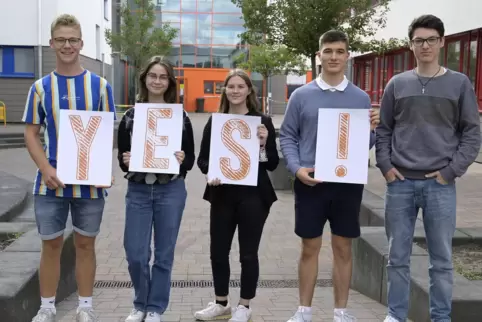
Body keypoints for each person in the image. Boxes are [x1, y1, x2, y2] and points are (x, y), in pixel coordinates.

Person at [376, 15, 481, 322]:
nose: (425, 46)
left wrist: (451, 172)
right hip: (400, 184)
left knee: (442, 260)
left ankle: (441, 318)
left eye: (431, 39)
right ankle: (395, 315)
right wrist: (385, 166)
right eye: (419, 40)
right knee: (397, 257)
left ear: (442, 42)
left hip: (440, 185)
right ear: (411, 45)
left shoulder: (459, 84)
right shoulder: (397, 84)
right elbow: (384, 129)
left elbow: (472, 133)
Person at [279, 30, 380, 322]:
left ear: (348, 56)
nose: (334, 56)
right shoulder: (301, 95)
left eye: (339, 51)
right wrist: (297, 168)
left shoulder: (361, 98)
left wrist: (372, 130)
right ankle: (304, 311)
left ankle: (340, 312)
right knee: (309, 246)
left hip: (347, 185)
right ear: (319, 55)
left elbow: (364, 145)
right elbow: (288, 136)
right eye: (328, 51)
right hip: (311, 182)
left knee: (343, 247)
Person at [23, 14, 116, 322]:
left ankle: (85, 307)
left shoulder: (100, 87)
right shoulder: (40, 88)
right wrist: (44, 167)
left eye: (72, 40)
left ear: (81, 43)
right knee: (50, 244)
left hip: (89, 184)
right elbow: (30, 133)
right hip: (50, 182)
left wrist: (104, 169)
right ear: (51, 44)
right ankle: (47, 307)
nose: (67, 45)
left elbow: (106, 132)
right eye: (61, 40)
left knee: (85, 244)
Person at [193, 69, 279, 322]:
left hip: (254, 196)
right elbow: (203, 160)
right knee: (218, 251)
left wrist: (263, 144)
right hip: (222, 193)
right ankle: (221, 303)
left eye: (241, 86)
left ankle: (244, 306)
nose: (236, 91)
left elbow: (272, 163)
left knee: (248, 253)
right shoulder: (216, 121)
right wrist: (210, 173)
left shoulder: (262, 122)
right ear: (225, 90)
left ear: (249, 90)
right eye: (231, 86)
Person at [117, 56, 195, 322]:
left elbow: (191, 159)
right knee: (136, 253)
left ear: (169, 82)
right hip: (138, 190)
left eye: (163, 77)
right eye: (153, 76)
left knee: (164, 254)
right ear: (144, 79)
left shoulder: (180, 116)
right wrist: (126, 160)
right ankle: (140, 302)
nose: (157, 81)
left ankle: (154, 308)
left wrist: (183, 159)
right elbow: (122, 159)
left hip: (170, 190)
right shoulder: (131, 115)